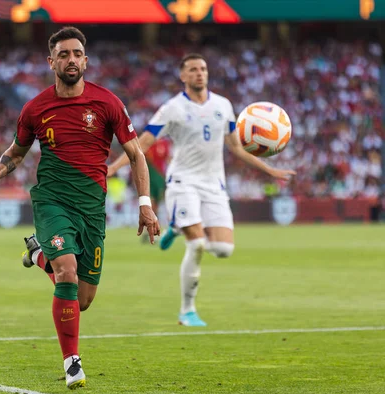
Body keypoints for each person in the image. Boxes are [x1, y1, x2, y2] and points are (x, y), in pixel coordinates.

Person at [0, 27, 160, 390]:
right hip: (52, 202)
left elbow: (136, 154)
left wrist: (145, 204)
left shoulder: (107, 103)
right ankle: (72, 362)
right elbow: (15, 152)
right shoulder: (35, 108)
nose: (71, 59)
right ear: (51, 62)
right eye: (63, 54)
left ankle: (38, 252)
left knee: (83, 299)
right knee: (67, 272)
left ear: (86, 60)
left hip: (92, 208)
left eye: (77, 53)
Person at [108, 53, 295, 327]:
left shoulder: (223, 105)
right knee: (196, 244)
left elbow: (235, 146)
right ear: (183, 76)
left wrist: (270, 170)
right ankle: (187, 311)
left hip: (213, 185)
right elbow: (142, 143)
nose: (199, 73)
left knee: (222, 249)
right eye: (193, 69)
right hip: (183, 183)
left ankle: (175, 227)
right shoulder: (173, 108)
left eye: (203, 69)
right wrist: (112, 168)